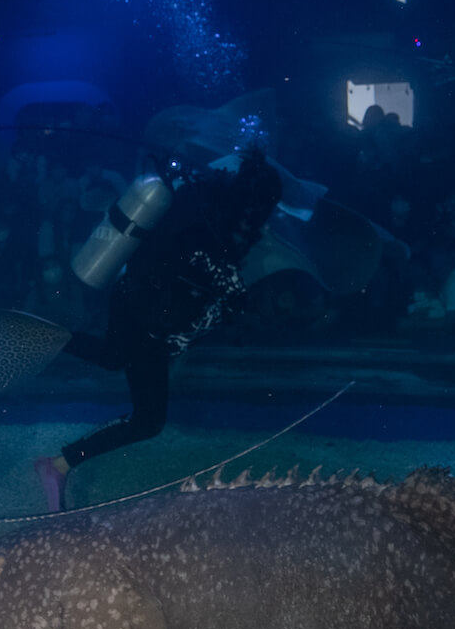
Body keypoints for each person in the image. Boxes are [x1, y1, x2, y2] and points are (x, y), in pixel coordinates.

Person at [33, 149, 284, 510]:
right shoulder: (215, 223)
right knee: (147, 420)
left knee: (112, 356)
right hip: (150, 321)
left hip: (132, 293)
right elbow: (201, 258)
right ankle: (57, 465)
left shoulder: (199, 194)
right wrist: (233, 292)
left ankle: (47, 337)